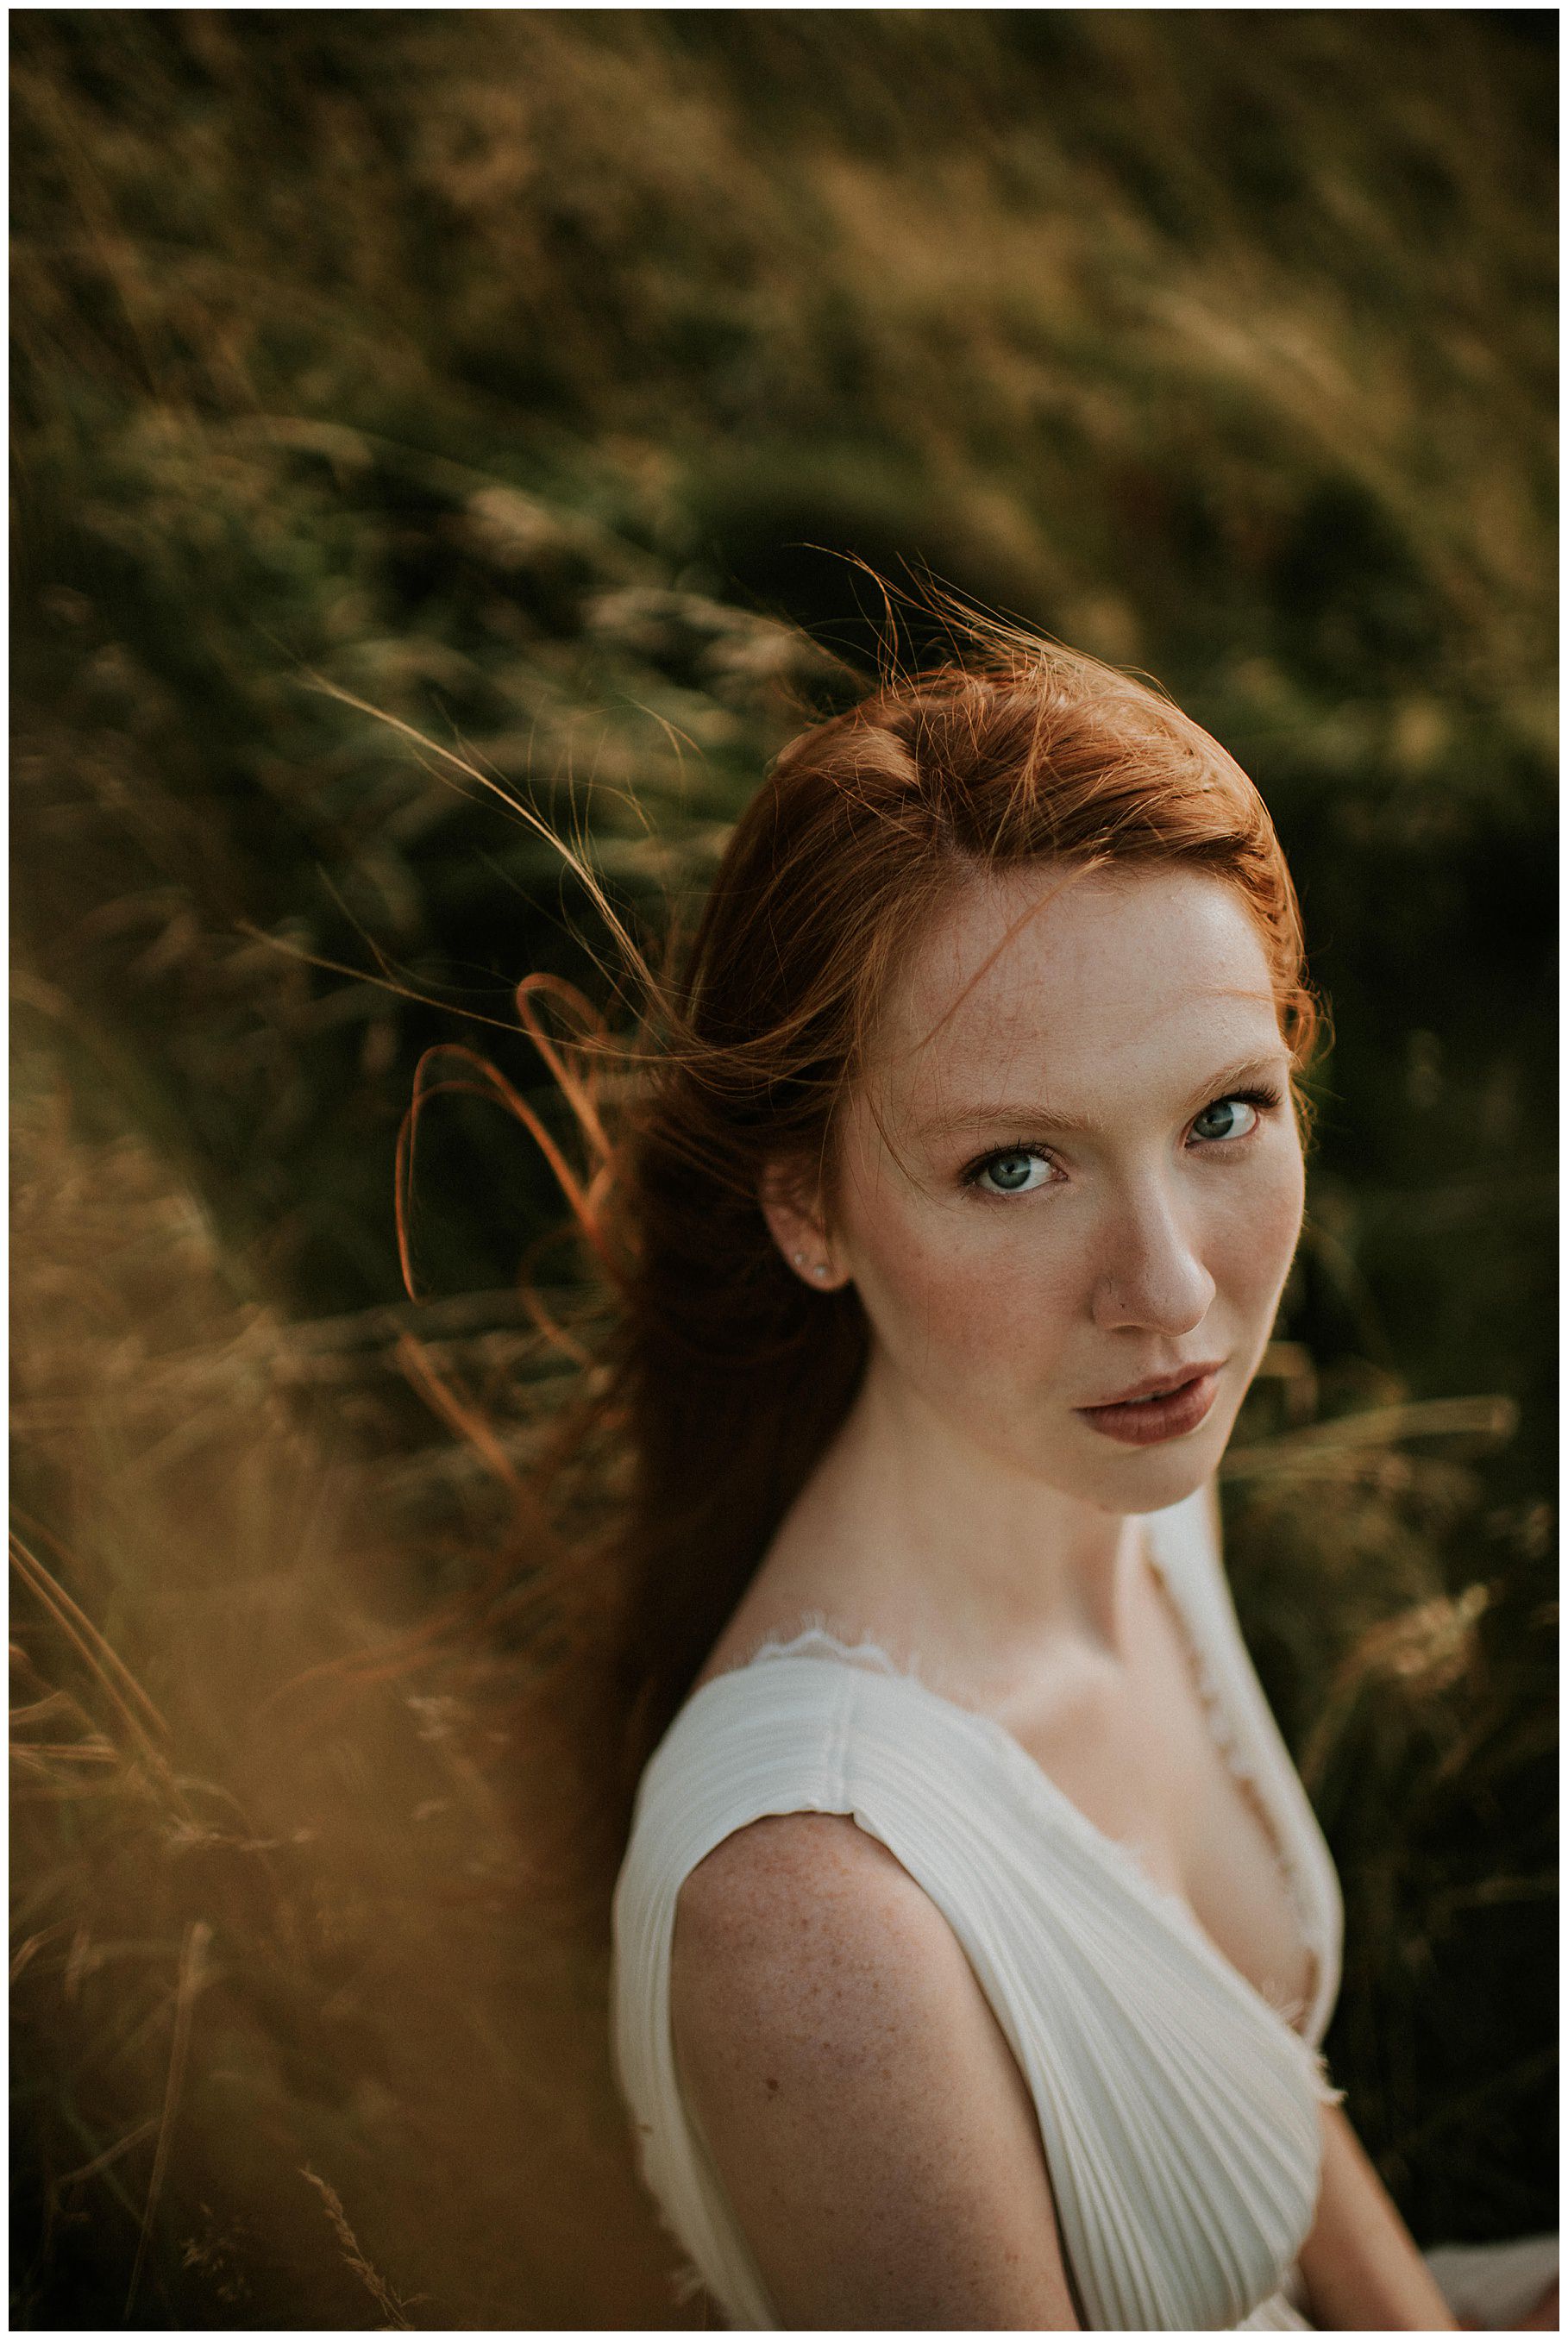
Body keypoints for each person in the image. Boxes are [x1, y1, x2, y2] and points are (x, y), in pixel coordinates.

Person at [601, 625, 1556, 2330]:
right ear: (807, 1208)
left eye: (1221, 1117)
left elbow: (1248, 2081)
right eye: (1015, 1162)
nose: (1174, 1291)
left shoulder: (1118, 1463)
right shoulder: (817, 1922)